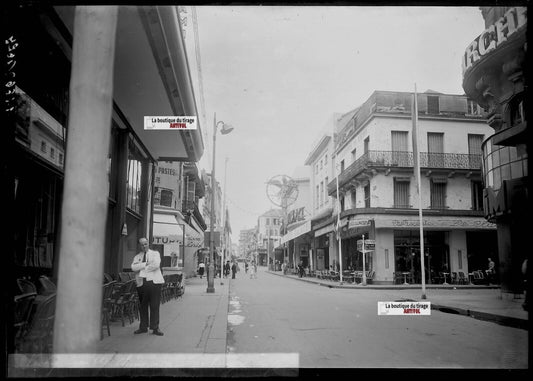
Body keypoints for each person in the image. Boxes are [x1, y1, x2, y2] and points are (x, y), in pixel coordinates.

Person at [131, 237, 164, 336]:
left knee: (154, 306)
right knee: (143, 306)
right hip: (142, 283)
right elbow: (133, 267)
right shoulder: (137, 257)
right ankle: (143, 327)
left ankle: (155, 328)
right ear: (139, 246)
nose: (144, 246)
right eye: (142, 244)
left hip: (154, 283)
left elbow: (156, 265)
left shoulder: (155, 254)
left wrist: (141, 268)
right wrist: (145, 264)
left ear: (148, 243)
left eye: (145, 244)